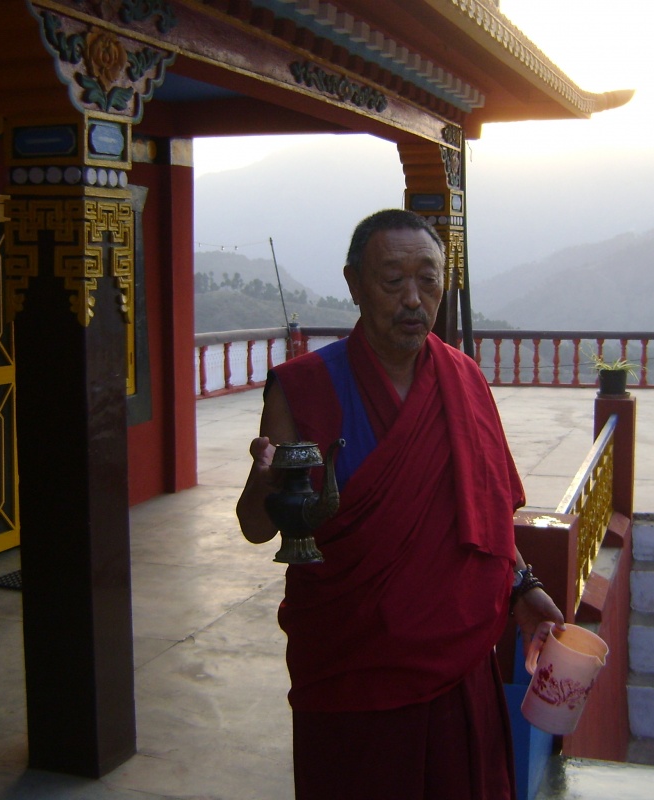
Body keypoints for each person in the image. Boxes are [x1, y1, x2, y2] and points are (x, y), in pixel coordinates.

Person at [237, 209, 563, 799]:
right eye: (392, 281)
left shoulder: (464, 381)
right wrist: (263, 483)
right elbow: (256, 526)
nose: (413, 299)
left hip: (457, 662)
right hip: (350, 667)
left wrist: (523, 587)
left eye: (428, 280)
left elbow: (486, 512)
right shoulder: (304, 387)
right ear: (354, 283)